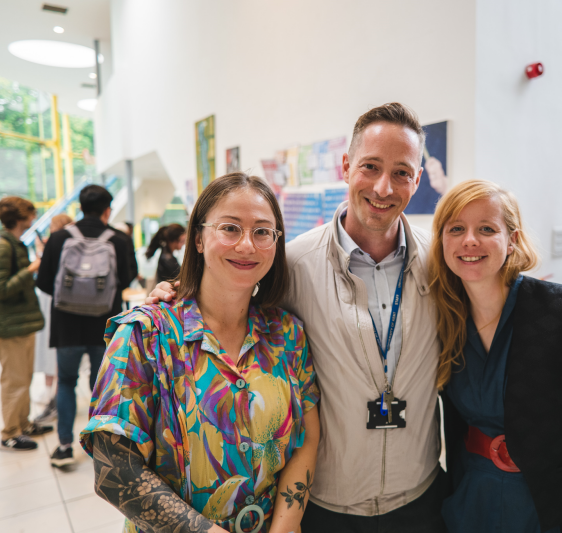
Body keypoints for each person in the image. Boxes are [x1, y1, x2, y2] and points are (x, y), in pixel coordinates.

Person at [151, 103, 448, 532]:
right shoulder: (292, 264)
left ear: (417, 180)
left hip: (420, 498)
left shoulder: (441, 264)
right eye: (370, 166)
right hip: (327, 504)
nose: (384, 187)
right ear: (346, 167)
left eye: (402, 172)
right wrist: (172, 294)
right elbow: (228, 295)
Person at [82, 173, 320, 533]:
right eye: (230, 228)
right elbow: (114, 468)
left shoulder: (286, 333)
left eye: (262, 232)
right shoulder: (147, 334)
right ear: (197, 238)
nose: (247, 245)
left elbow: (306, 438)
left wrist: (284, 528)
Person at [430, 180, 562, 533]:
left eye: (486, 229)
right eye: (456, 229)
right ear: (442, 240)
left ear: (513, 239)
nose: (469, 240)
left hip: (546, 506)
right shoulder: (444, 318)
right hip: (470, 499)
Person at [36, 185, 138, 467]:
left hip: (66, 325)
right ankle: (101, 447)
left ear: (80, 207)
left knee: (67, 382)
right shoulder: (119, 239)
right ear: (108, 210)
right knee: (103, 384)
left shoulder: (58, 238)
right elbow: (128, 277)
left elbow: (44, 282)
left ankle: (65, 446)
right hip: (105, 325)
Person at [0, 196, 52, 451]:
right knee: (14, 381)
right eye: (31, 214)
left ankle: (23, 423)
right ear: (22, 217)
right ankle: (10, 432)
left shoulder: (13, 243)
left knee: (25, 378)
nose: (34, 219)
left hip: (21, 323)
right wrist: (31, 269)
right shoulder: (0, 247)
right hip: (9, 325)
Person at [33, 213, 73, 423]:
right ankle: (52, 393)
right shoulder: (77, 241)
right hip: (72, 304)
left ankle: (53, 394)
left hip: (52, 301)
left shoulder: (55, 242)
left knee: (51, 345)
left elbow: (42, 279)